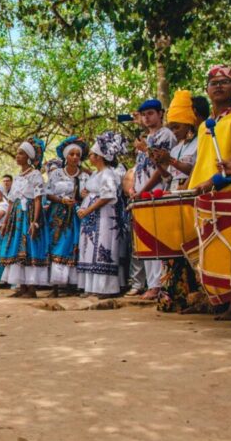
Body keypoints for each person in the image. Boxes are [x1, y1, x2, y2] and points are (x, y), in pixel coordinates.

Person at [189, 65, 231, 320]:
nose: (218, 86)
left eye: (224, 82)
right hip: (204, 190)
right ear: (207, 90)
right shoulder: (205, 125)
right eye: (213, 82)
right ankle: (220, 299)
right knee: (211, 248)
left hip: (229, 187)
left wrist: (215, 180)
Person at [154, 91, 204, 313]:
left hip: (192, 196)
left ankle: (200, 297)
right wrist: (159, 163)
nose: (174, 131)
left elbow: (197, 169)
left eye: (177, 127)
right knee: (173, 248)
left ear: (188, 123)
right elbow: (169, 176)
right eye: (171, 127)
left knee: (194, 249)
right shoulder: (177, 147)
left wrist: (171, 160)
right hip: (174, 196)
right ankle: (175, 297)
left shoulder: (201, 141)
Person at [130, 99, 179, 299]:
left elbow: (162, 167)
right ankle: (152, 284)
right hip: (142, 193)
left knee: (158, 239)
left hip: (157, 191)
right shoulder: (146, 137)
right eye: (144, 114)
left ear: (160, 113)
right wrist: (134, 188)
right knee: (147, 239)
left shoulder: (165, 135)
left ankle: (159, 284)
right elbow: (139, 168)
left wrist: (143, 189)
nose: (147, 117)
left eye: (151, 113)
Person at [77, 132, 128, 296]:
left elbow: (108, 195)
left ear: (98, 157)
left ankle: (105, 287)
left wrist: (88, 210)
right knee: (90, 248)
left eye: (91, 154)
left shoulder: (108, 173)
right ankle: (92, 287)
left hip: (104, 217)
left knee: (102, 247)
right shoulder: (96, 174)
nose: (89, 157)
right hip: (92, 217)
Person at [1, 138, 49, 297]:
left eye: (21, 153)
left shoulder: (35, 175)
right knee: (16, 248)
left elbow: (37, 199)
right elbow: (11, 202)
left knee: (30, 247)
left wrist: (35, 222)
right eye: (17, 153)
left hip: (28, 215)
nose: (17, 156)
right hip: (17, 217)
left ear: (28, 156)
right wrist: (5, 222)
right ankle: (21, 287)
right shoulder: (18, 177)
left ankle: (32, 288)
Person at [47, 137, 88, 295]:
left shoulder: (84, 176)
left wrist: (83, 196)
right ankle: (55, 286)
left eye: (78, 154)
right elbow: (47, 193)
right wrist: (61, 199)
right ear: (65, 156)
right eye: (72, 154)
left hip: (75, 215)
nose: (75, 157)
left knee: (72, 246)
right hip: (57, 215)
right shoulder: (56, 174)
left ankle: (72, 284)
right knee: (56, 244)